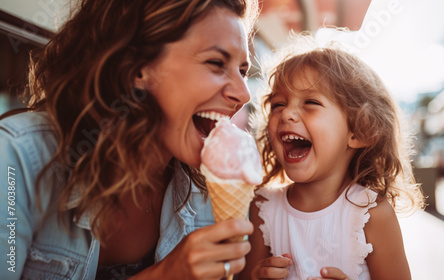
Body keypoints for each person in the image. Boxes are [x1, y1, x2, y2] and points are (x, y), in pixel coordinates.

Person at [0, 0, 259, 279]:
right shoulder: (17, 159)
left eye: (243, 71)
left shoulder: (210, 192)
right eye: (217, 63)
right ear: (138, 67)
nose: (244, 94)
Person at [239, 34, 425, 280]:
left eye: (311, 102)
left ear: (359, 132)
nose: (286, 115)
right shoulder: (263, 207)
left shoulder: (372, 214)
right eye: (278, 104)